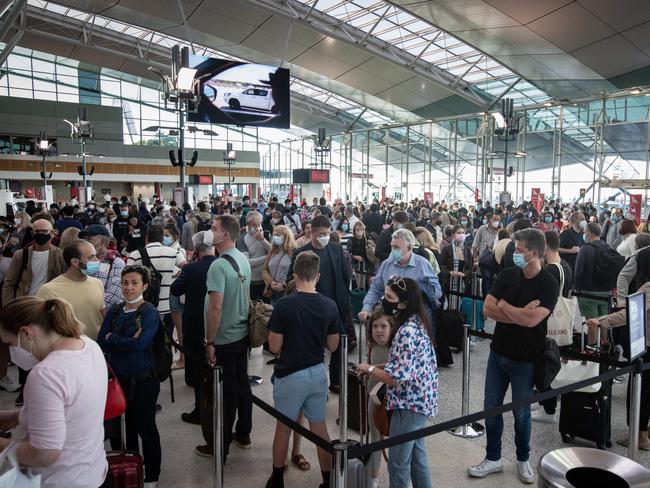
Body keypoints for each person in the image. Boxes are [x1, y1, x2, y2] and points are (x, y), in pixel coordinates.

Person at [468, 228, 558, 485]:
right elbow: (487, 309)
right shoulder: (507, 275)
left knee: (521, 413)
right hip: (498, 353)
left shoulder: (548, 283)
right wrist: (516, 311)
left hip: (527, 358)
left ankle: (522, 458)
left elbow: (532, 321)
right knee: (491, 406)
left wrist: (504, 306)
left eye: (519, 251)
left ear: (535, 254)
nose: (514, 254)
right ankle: (493, 457)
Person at [0, 297, 108, 488]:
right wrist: (19, 416)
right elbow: (72, 409)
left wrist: (6, 447)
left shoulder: (46, 374)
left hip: (61, 480)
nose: (9, 351)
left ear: (26, 333)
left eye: (8, 343)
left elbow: (44, 453)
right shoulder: (88, 345)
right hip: (92, 472)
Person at [265, 251, 340, 488]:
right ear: (317, 276)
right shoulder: (329, 305)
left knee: (283, 428)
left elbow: (274, 347)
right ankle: (327, 479)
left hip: (290, 374)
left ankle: (277, 478)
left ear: (295, 275)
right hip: (317, 372)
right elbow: (333, 345)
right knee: (320, 428)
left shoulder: (284, 305)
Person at [358, 277, 438, 488]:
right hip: (423, 401)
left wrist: (371, 368)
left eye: (390, 297)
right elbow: (408, 364)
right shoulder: (418, 322)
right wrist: (385, 366)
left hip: (408, 405)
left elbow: (397, 379)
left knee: (398, 464)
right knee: (418, 460)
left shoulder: (405, 331)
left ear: (403, 303)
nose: (385, 300)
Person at [97, 265, 161, 486]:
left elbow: (140, 344)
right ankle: (130, 468)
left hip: (143, 379)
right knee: (123, 429)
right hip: (117, 380)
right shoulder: (115, 310)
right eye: (125, 282)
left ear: (144, 285)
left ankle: (152, 474)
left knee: (146, 427)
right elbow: (100, 340)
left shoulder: (149, 312)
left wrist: (114, 338)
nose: (128, 287)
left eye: (134, 283)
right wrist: (123, 340)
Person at [586, 248, 650, 450]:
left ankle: (640, 435)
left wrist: (601, 321)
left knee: (641, 390)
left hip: (646, 346)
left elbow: (630, 313)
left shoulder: (648, 287)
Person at [200, 214, 253, 458]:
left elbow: (216, 307)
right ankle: (243, 432)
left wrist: (210, 341)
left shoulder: (218, 265)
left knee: (225, 394)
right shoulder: (242, 258)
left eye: (213, 228)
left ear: (226, 235)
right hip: (242, 333)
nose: (210, 231)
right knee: (242, 385)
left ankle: (220, 446)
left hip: (224, 338)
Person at [288, 215, 350, 392]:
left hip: (336, 306)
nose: (326, 236)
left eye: (328, 233)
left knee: (337, 346)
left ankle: (336, 380)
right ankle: (316, 382)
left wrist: (345, 302)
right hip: (311, 309)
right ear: (312, 233)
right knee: (314, 347)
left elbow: (344, 278)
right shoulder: (300, 253)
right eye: (322, 233)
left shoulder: (336, 250)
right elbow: (291, 280)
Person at [359, 229, 441, 336]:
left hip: (416, 321)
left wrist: (418, 290)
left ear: (409, 248)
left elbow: (437, 291)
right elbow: (375, 289)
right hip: (391, 319)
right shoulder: (386, 264)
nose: (393, 251)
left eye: (396, 247)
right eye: (392, 246)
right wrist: (367, 308)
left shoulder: (422, 265)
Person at [171, 232, 217, 423]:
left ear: (196, 249)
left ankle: (200, 411)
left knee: (199, 370)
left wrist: (187, 267)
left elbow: (175, 289)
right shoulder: (225, 264)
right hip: (221, 325)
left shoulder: (192, 269)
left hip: (195, 324)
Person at [531, 230, 574, 424]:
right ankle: (544, 402)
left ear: (545, 247)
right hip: (562, 321)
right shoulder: (565, 265)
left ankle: (549, 409)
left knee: (546, 362)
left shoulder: (550, 270)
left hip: (550, 322)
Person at [36, 240, 105, 340]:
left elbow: (101, 315)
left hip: (94, 348)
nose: (96, 260)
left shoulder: (98, 283)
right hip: (65, 349)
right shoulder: (48, 290)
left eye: (95, 256)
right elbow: (39, 324)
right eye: (91, 257)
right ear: (75, 262)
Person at [365, 306, 395, 488]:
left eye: (383, 326)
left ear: (392, 327)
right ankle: (373, 478)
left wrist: (371, 368)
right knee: (374, 437)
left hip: (393, 399)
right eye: (375, 326)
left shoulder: (396, 347)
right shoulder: (372, 346)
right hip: (374, 398)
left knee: (397, 440)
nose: (378, 330)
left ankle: (399, 477)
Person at [1, 217, 64, 304]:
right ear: (32, 233)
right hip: (25, 303)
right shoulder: (21, 254)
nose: (40, 234)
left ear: (52, 233)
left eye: (44, 231)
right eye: (37, 231)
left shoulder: (59, 254)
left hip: (48, 303)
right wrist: (8, 305)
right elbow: (9, 283)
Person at [128, 225, 184, 320]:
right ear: (162, 238)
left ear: (146, 237)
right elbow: (185, 267)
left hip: (141, 304)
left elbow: (126, 278)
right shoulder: (174, 253)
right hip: (166, 304)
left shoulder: (135, 254)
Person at [81, 224, 125, 309]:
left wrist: (88, 308)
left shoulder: (115, 262)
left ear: (101, 241)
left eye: (89, 239)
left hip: (103, 316)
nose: (85, 242)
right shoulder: (81, 260)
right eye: (84, 238)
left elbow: (113, 295)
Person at [574, 222, 611, 318]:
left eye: (585, 232)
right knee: (604, 322)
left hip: (588, 293)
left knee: (592, 323)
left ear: (590, 234)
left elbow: (578, 272)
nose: (584, 234)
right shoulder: (608, 247)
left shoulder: (585, 249)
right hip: (606, 292)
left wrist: (577, 290)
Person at [163, 223, 187, 369]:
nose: (164, 238)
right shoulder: (168, 250)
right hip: (170, 292)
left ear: (175, 237)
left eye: (167, 235)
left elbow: (184, 267)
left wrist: (175, 271)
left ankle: (183, 359)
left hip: (175, 294)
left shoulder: (177, 251)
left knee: (179, 328)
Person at [237, 211, 272, 301]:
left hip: (266, 279)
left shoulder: (266, 234)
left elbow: (275, 252)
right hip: (250, 280)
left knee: (267, 309)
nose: (256, 227)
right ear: (247, 224)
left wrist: (262, 240)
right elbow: (246, 262)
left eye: (258, 224)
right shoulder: (242, 239)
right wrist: (267, 257)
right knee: (251, 310)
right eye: (254, 225)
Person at [440, 225, 472, 308]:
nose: (461, 235)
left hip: (462, 284)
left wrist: (464, 274)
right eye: (458, 233)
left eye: (463, 233)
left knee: (461, 305)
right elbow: (440, 267)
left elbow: (470, 268)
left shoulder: (467, 250)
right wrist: (450, 272)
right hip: (449, 283)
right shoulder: (447, 249)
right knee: (451, 305)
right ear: (453, 235)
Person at [263, 224, 295, 305]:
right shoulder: (272, 251)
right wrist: (271, 282)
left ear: (286, 236)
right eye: (274, 235)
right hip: (273, 292)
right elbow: (265, 270)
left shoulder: (294, 252)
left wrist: (284, 285)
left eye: (278, 235)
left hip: (288, 292)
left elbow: (297, 274)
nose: (275, 237)